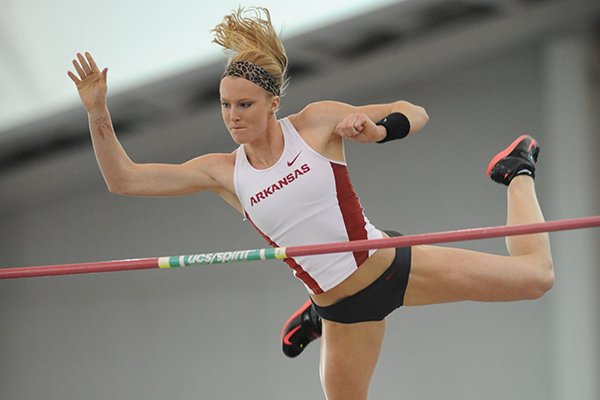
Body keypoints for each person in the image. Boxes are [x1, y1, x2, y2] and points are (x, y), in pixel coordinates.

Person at [68, 7, 554, 400]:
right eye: (225, 105)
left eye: (245, 105)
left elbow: (415, 112)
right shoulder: (223, 172)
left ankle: (515, 172)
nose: (233, 117)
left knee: (536, 279)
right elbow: (124, 179)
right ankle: (317, 316)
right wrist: (97, 112)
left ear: (273, 102)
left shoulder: (316, 125)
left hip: (392, 267)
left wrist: (377, 129)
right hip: (344, 312)